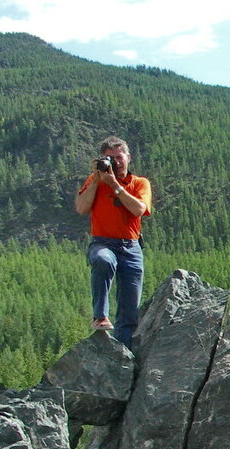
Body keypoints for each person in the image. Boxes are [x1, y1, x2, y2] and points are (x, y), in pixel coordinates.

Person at [75, 136, 152, 349]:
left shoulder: (139, 183)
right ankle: (100, 316)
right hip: (103, 242)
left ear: (128, 157)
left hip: (131, 246)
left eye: (119, 157)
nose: (116, 162)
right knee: (103, 260)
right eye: (110, 159)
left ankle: (123, 358)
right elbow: (81, 208)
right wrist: (98, 179)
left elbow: (139, 209)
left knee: (129, 312)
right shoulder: (95, 181)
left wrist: (115, 185)